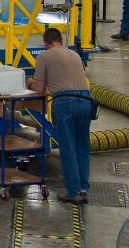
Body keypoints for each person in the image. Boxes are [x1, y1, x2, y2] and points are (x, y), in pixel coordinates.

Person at [26, 28, 91, 204]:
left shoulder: (44, 57)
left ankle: (72, 191)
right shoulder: (75, 55)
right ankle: (83, 189)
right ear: (60, 40)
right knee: (82, 146)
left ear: (45, 42)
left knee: (68, 147)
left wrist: (30, 82)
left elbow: (40, 90)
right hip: (86, 101)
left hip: (65, 103)